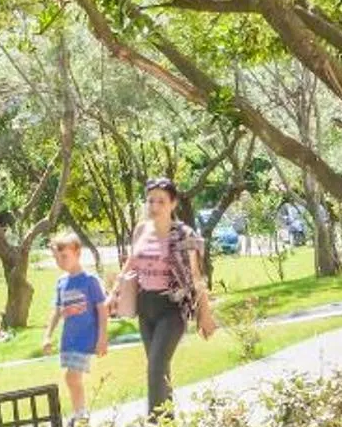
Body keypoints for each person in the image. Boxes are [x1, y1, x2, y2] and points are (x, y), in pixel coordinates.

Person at [115, 176, 216, 413]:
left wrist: (205, 314)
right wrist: (113, 294)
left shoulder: (184, 234)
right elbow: (130, 262)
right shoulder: (141, 230)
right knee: (158, 368)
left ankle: (155, 426)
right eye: (150, 201)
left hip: (172, 308)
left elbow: (196, 276)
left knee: (156, 366)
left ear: (172, 203)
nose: (154, 206)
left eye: (161, 201)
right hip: (145, 307)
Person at [46, 230, 109, 414]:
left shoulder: (90, 281)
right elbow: (57, 311)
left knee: (72, 377)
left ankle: (80, 416)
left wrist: (102, 338)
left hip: (86, 338)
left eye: (64, 256)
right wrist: (47, 336)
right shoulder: (61, 283)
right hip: (69, 339)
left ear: (77, 253)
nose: (60, 261)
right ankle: (79, 414)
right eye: (57, 258)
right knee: (71, 378)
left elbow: (102, 309)